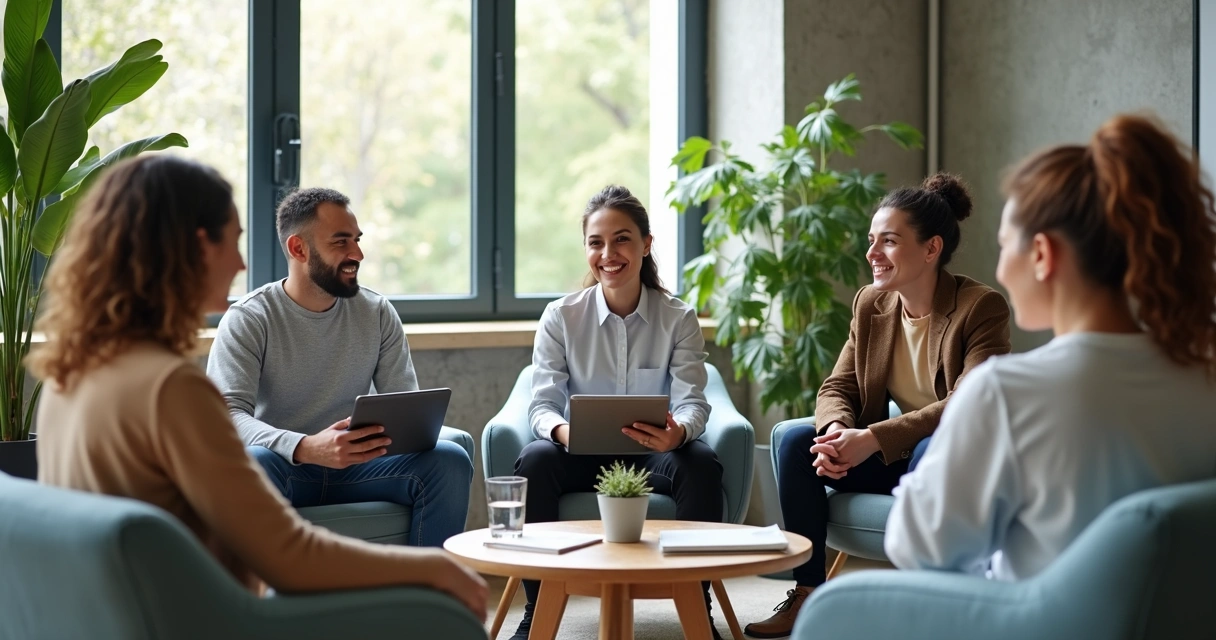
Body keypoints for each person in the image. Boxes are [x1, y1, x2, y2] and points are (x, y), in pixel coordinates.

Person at [29, 156, 487, 616]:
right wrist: (433, 571)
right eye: (234, 241)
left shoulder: (70, 374)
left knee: (448, 457)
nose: (241, 262)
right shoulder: (172, 386)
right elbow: (290, 557)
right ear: (195, 248)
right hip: (195, 619)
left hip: (111, 615)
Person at [885, 114, 1216, 580]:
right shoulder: (1204, 375)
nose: (1000, 271)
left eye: (1004, 247)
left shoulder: (1006, 392)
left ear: (1042, 254)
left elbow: (916, 546)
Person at [745, 173, 1012, 638]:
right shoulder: (872, 303)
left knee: (935, 447)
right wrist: (836, 432)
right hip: (893, 454)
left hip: (954, 454)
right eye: (871, 241)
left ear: (931, 249)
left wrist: (872, 439)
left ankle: (923, 600)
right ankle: (807, 594)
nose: (871, 254)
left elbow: (969, 403)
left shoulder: (980, 307)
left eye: (888, 241)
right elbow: (838, 386)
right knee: (794, 440)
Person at [506, 185, 725, 640]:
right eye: (596, 242)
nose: (609, 253)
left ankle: (696, 604)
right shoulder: (560, 317)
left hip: (653, 454)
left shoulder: (677, 317)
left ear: (646, 245)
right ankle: (537, 606)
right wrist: (566, 433)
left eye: (622, 239)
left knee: (701, 464)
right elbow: (542, 404)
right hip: (579, 452)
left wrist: (679, 433)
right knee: (534, 460)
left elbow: (693, 401)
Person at [206, 187, 472, 548]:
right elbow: (226, 418)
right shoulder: (249, 318)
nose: (357, 254)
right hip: (285, 467)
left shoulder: (376, 312)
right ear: (298, 249)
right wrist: (305, 447)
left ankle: (428, 599)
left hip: (360, 467)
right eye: (341, 242)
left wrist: (392, 435)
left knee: (449, 460)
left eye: (358, 240)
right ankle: (267, 598)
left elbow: (404, 405)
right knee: (252, 464)